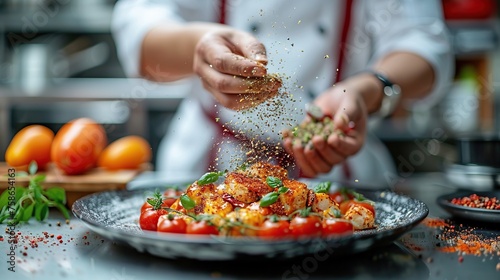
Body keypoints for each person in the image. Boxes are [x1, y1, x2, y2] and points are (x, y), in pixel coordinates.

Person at [111, 0, 454, 188]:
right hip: (208, 167)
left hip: (338, 176)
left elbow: (424, 43)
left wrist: (367, 89)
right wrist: (199, 47)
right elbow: (139, 25)